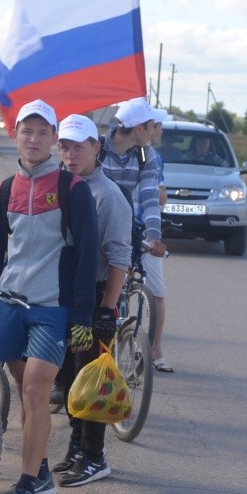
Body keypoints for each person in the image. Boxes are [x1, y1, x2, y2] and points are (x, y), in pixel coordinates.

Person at [0, 100, 99, 494]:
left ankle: (26, 487)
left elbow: (86, 258)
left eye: (42, 132)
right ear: (16, 136)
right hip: (9, 304)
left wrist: (82, 318)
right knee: (24, 391)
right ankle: (41, 472)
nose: (33, 139)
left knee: (35, 390)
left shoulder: (72, 189)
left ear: (53, 140)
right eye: (26, 131)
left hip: (52, 307)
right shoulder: (3, 191)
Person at [54, 114, 133, 486]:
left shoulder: (108, 196)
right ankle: (75, 445)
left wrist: (106, 310)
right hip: (61, 295)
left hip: (97, 296)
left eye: (78, 148)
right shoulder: (60, 186)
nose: (71, 155)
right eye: (65, 147)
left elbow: (119, 257)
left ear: (96, 148)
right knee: (68, 375)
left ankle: (95, 456)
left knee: (92, 377)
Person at [100, 98, 170, 372]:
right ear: (138, 128)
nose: (154, 130)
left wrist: (154, 236)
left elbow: (151, 198)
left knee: (141, 286)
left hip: (130, 229)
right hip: (97, 227)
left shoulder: (146, 156)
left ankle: (138, 346)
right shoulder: (97, 150)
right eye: (152, 125)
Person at [146, 109, 172, 372]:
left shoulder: (155, 158)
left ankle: (155, 348)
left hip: (146, 232)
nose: (161, 131)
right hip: (117, 230)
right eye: (159, 125)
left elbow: (162, 197)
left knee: (157, 292)